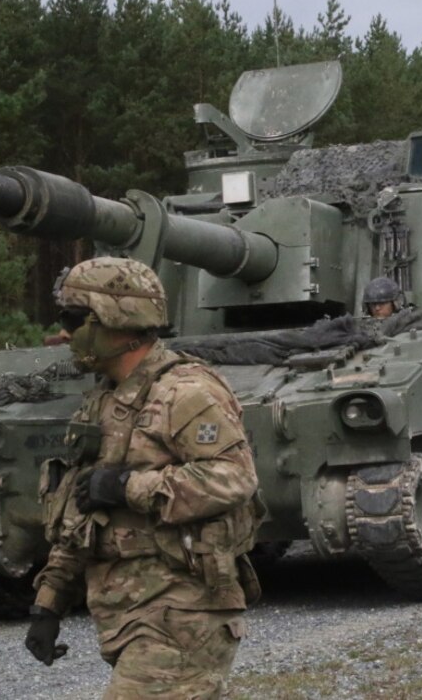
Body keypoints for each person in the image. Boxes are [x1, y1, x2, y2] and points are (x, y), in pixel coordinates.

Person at [25, 256, 262, 699]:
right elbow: (81, 510)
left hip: (182, 611)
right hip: (127, 616)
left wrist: (127, 487)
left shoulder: (186, 392)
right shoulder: (102, 403)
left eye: (75, 319)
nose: (63, 334)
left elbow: (233, 477)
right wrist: (49, 601)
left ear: (117, 318)